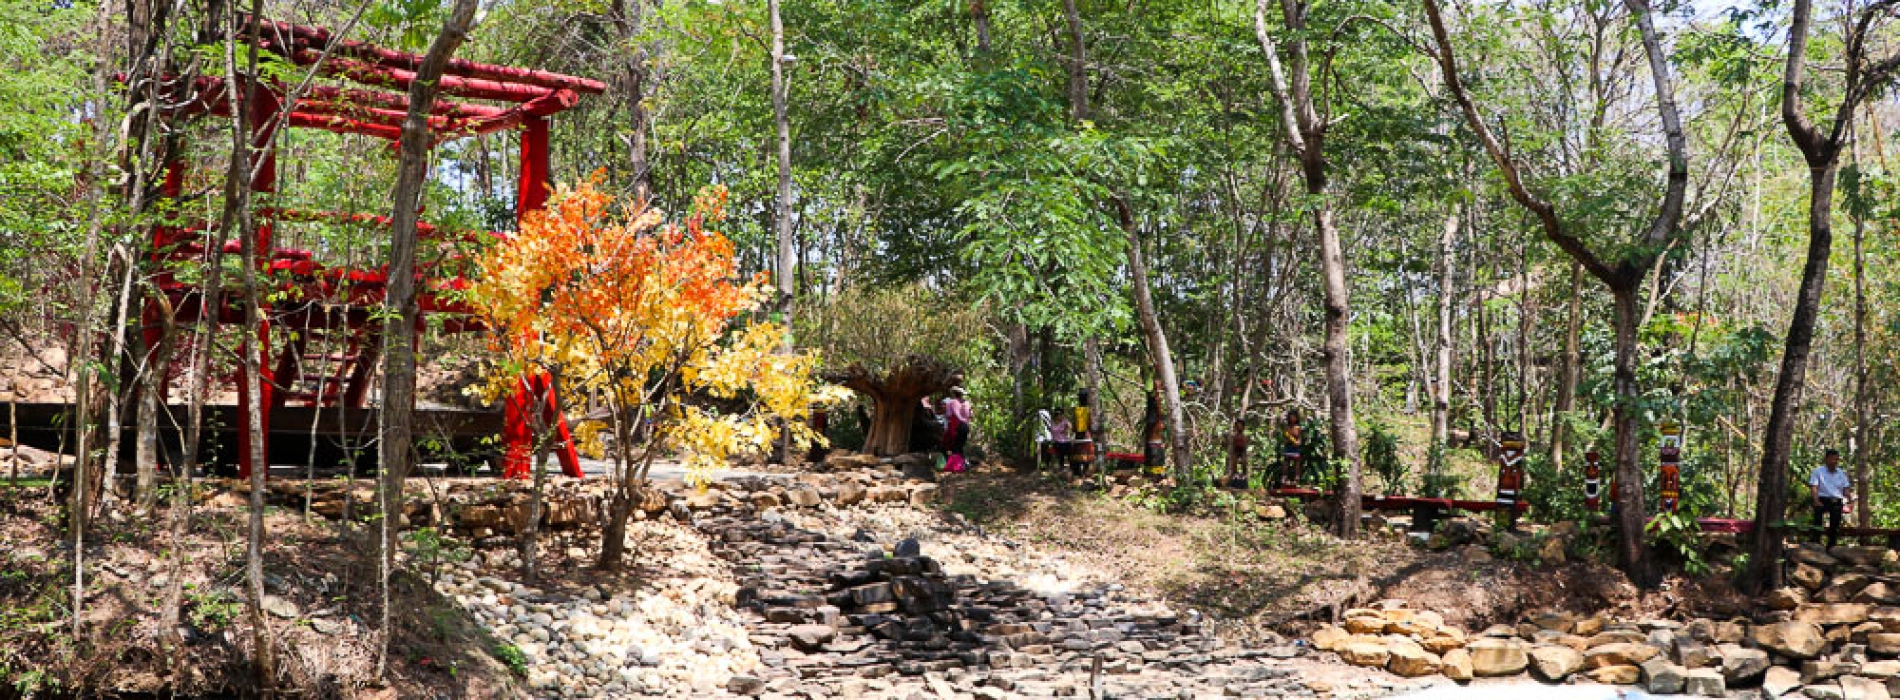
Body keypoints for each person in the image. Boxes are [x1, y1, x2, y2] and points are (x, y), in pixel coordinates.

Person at [1810, 448, 1854, 549]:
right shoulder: (1818, 471)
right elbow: (1814, 487)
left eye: (1836, 459)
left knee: (1835, 524)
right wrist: (1816, 501)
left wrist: (1850, 501)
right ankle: (1816, 543)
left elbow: (1845, 489)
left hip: (1836, 501)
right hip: (1822, 499)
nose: (1834, 462)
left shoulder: (1841, 473)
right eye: (1832, 459)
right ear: (1826, 459)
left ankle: (1832, 546)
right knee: (1817, 521)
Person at [940, 387, 974, 473]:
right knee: (960, 446)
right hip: (965, 426)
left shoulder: (951, 402)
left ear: (954, 393)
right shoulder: (967, 403)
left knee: (953, 446)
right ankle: (964, 465)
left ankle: (956, 467)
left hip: (956, 426)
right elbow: (970, 415)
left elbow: (948, 415)